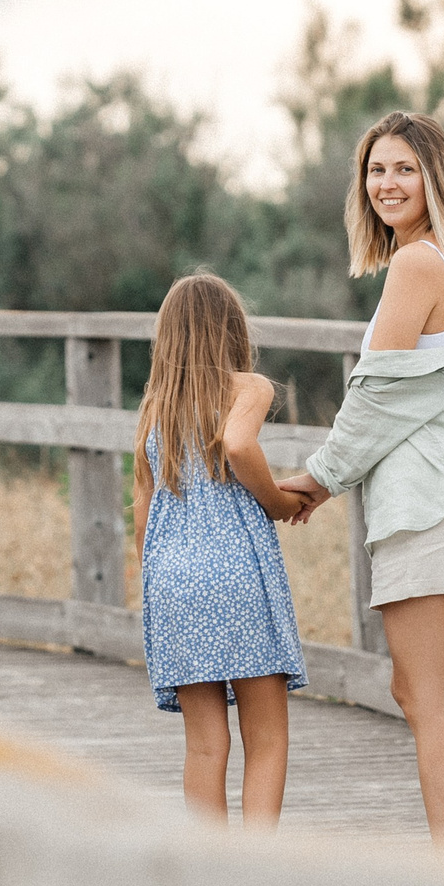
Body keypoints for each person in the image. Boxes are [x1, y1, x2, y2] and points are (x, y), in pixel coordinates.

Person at [279, 111, 444, 851]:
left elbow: (378, 396)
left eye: (403, 169)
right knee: (427, 694)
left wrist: (319, 478)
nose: (386, 183)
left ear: (436, 177)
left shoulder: (419, 264)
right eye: (376, 170)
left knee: (429, 697)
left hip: (436, 502)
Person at [134, 272, 310, 828]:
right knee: (267, 738)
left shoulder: (155, 406)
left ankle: (210, 881)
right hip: (237, 575)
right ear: (233, 330)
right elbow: (237, 443)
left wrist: (158, 579)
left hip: (171, 580)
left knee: (205, 747)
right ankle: (255, 879)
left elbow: (142, 503)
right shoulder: (248, 387)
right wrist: (281, 502)